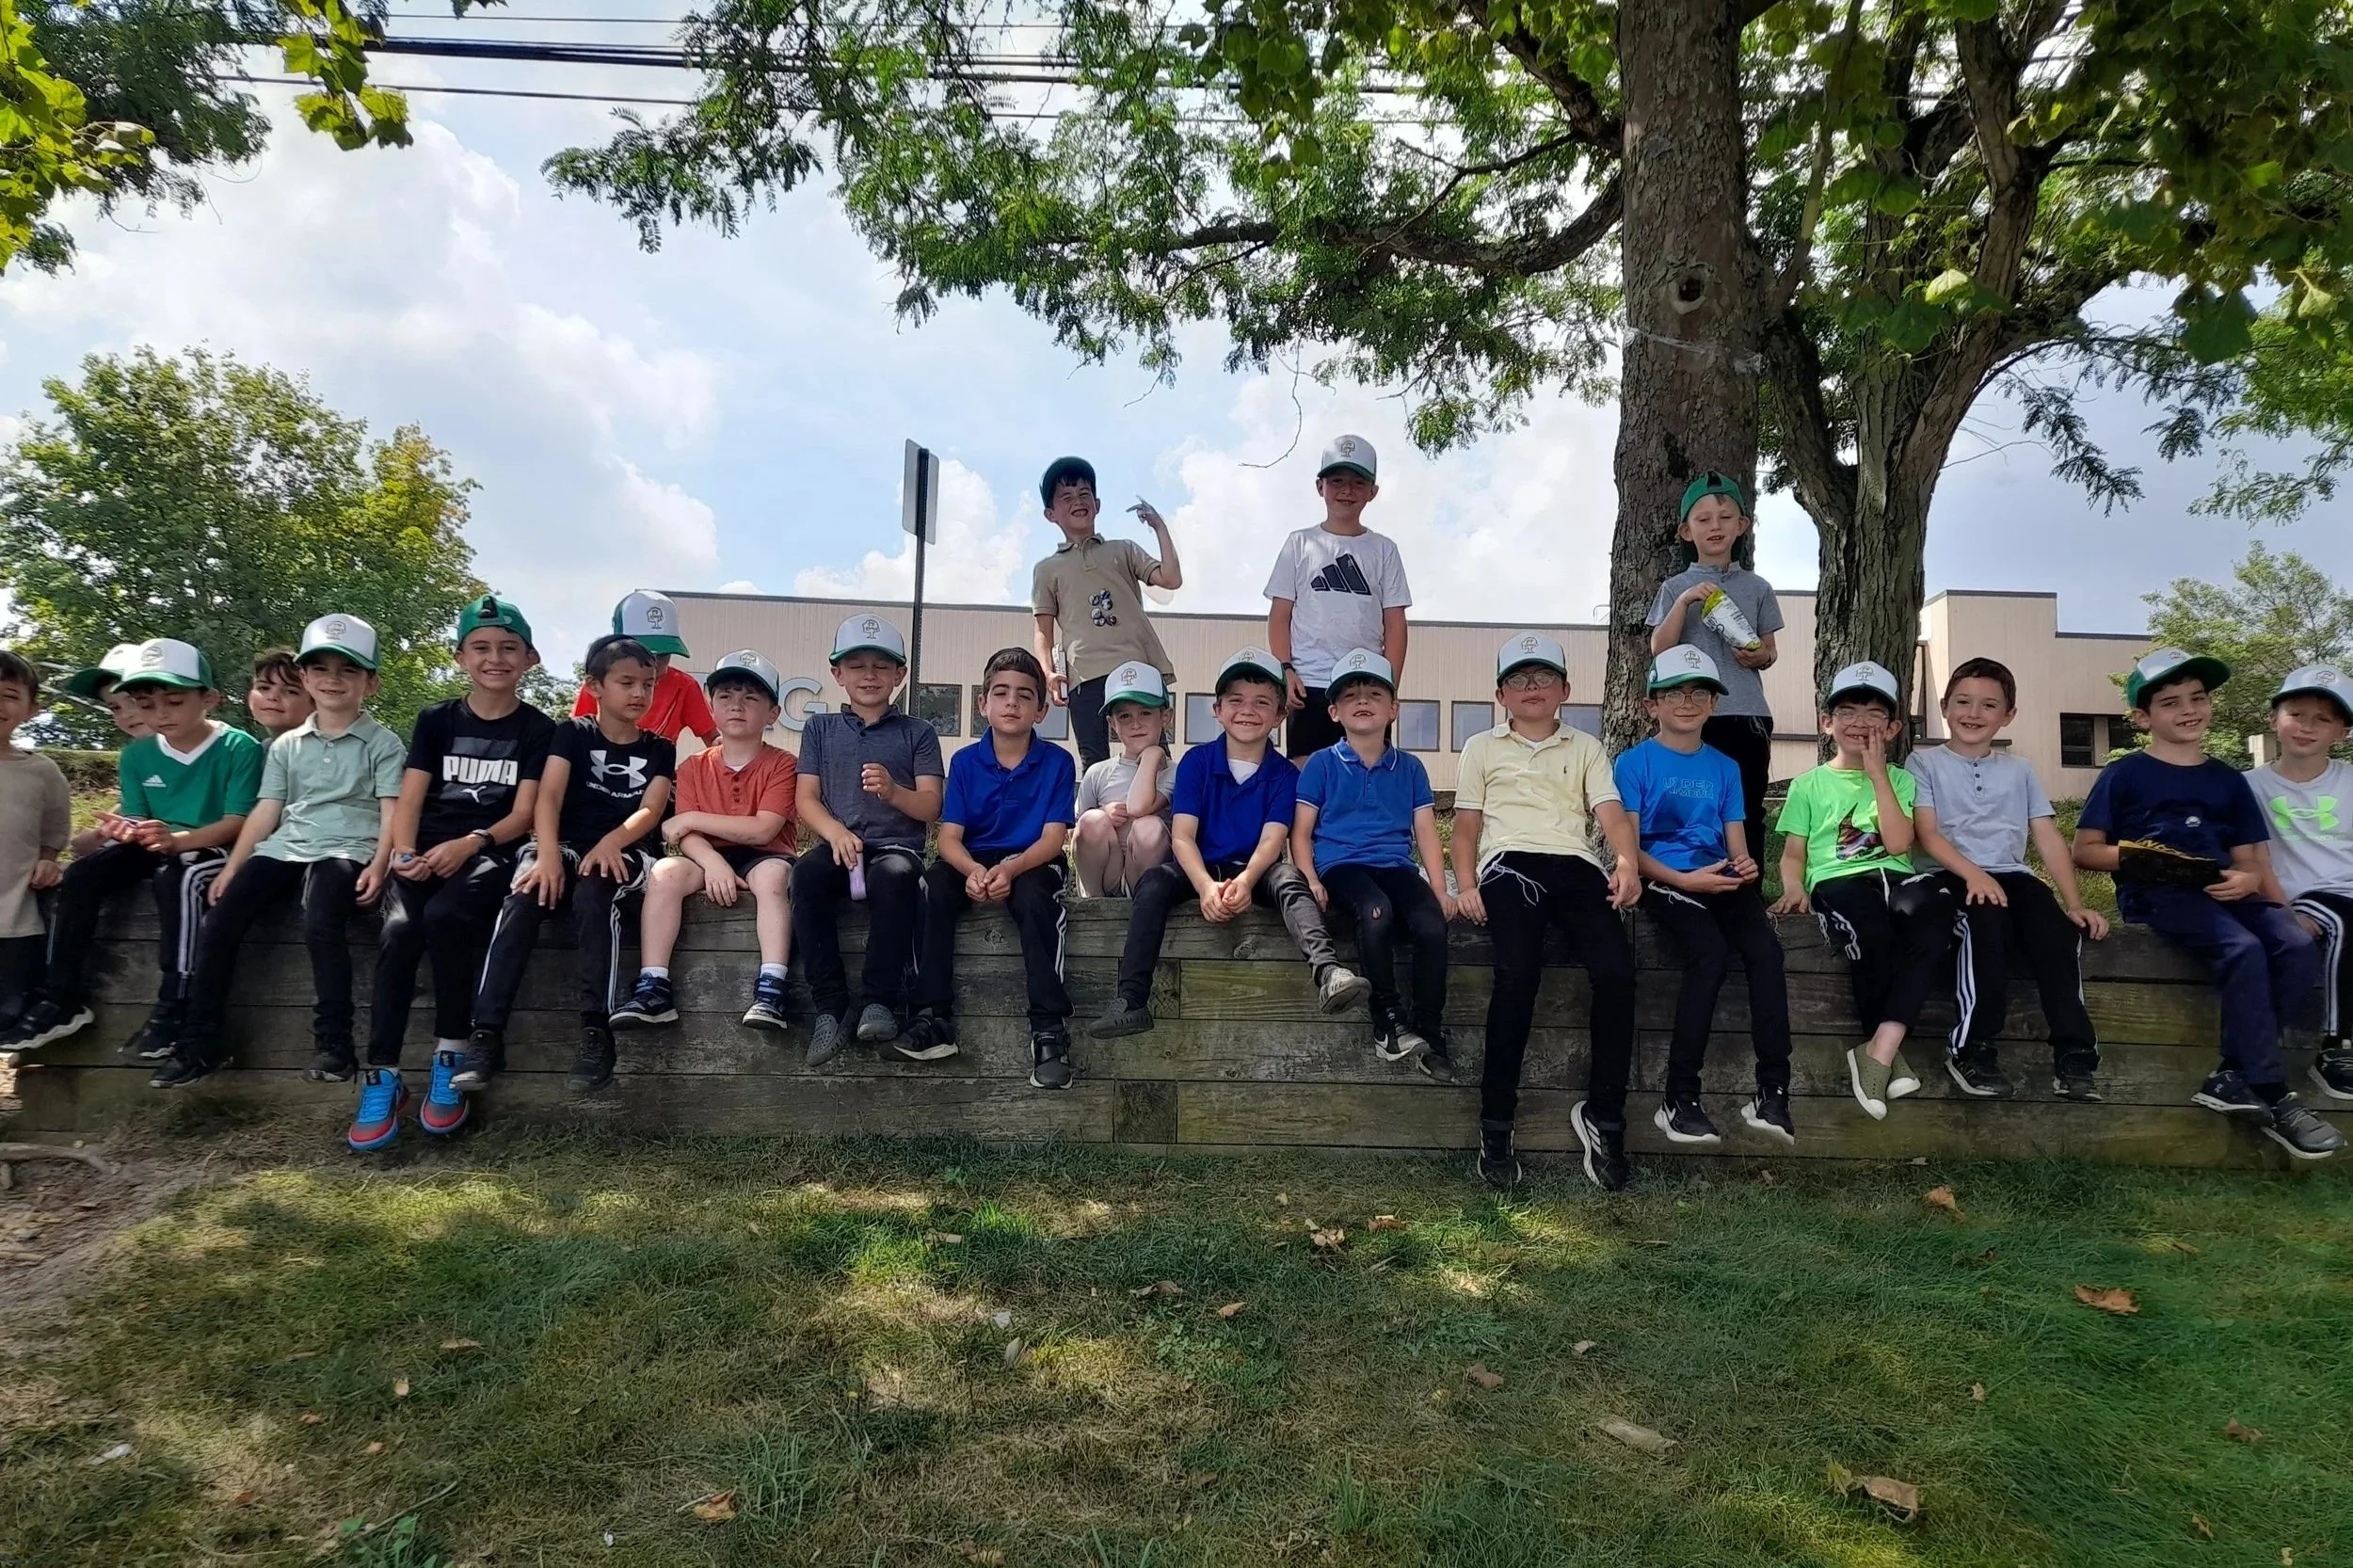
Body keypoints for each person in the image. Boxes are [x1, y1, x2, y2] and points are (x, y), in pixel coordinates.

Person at [2074, 648, 2343, 1159]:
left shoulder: (2228, 779)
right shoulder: (2125, 774)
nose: (2189, 710)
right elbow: (2085, 850)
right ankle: (2273, 1093)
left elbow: (2249, 859)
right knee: (2241, 949)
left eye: (2197, 698)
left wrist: (2252, 885)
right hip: (2158, 895)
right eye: (2171, 702)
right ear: (2142, 718)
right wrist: (2145, 862)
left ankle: (2232, 1074)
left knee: (2292, 943)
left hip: (2224, 891)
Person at [159, 616, 404, 1089]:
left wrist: (380, 863)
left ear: (370, 683)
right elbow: (269, 808)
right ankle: (200, 1040)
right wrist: (234, 866)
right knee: (221, 920)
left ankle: (334, 1043)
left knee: (321, 920)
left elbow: (392, 810)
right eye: (321, 669)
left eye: (348, 670)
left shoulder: (383, 743)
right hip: (286, 845)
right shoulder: (287, 745)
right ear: (306, 678)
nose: (333, 679)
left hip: (349, 846)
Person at [353, 595, 552, 1150]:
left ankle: (451, 1054)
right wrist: (405, 852)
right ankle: (383, 1075)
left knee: (446, 918)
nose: (496, 659)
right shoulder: (436, 719)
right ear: (461, 656)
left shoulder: (538, 728)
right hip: (425, 849)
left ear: (530, 659)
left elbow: (523, 813)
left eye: (509, 648)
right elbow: (411, 797)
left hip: (486, 848)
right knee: (397, 933)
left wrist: (473, 842)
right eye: (482, 648)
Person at [4, 638, 264, 1057]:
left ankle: (173, 1004)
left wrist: (175, 840)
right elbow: (138, 818)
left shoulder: (239, 748)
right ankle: (60, 997)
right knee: (84, 875)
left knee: (177, 880)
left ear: (209, 699)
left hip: (208, 845)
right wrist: (127, 831)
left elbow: (237, 822)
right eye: (144, 704)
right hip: (155, 842)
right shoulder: (138, 755)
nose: (158, 714)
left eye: (173, 701)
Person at [1090, 648, 1366, 1041]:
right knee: (1153, 883)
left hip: (1257, 869)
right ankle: (1131, 1000)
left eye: (1262, 702)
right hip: (1201, 867)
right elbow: (1182, 836)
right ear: (1217, 710)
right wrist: (1204, 886)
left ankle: (1329, 971)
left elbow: (1274, 839)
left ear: (1280, 715)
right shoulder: (1198, 762)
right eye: (1235, 701)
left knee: (1289, 878)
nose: (1247, 711)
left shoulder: (1286, 774)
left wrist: (1248, 881)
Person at [1449, 632, 1642, 1191]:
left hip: (1575, 865)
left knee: (1617, 973)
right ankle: (1496, 1124)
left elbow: (1608, 812)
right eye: (1519, 680)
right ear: (1500, 694)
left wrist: (1626, 863)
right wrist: (1466, 885)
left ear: (1565, 689)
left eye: (1543, 678)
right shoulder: (1481, 747)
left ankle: (1605, 1116)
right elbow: (1465, 827)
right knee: (1516, 977)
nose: (1531, 688)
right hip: (1509, 865)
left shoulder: (1586, 746)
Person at [463, 634, 675, 1096]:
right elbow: (550, 795)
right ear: (595, 686)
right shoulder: (572, 733)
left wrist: (612, 842)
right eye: (627, 682)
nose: (639, 693)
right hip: (565, 842)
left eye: (648, 684)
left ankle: (597, 1031)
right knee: (523, 894)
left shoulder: (660, 747)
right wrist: (546, 855)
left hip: (627, 852)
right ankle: (485, 1035)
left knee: (595, 892)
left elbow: (651, 809)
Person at [1614, 646, 1795, 1148]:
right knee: (1710, 955)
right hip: (1663, 879)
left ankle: (1773, 1090)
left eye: (1699, 693)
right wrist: (1684, 880)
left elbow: (1736, 843)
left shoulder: (1725, 766)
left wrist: (1745, 866)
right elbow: (1630, 849)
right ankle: (1679, 1097)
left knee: (1766, 951)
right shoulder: (1633, 763)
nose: (1687, 702)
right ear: (1653, 704)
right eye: (1674, 693)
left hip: (1719, 878)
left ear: (1714, 704)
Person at [1910, 657, 2108, 1102]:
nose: (1973, 714)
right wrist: (1974, 875)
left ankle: (2075, 1054)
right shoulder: (1923, 763)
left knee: (2056, 933)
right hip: (1948, 873)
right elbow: (1928, 833)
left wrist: (2073, 902)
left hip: (2009, 874)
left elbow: (2047, 836)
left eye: (1988, 705)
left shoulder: (2019, 770)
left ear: (2008, 715)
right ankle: (1972, 1047)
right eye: (1962, 702)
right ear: (1944, 706)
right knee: (1985, 924)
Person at [1770, 661, 1951, 1122]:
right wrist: (1795, 888)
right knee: (1872, 934)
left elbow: (1897, 844)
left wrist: (1877, 776)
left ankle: (1878, 1050)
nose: (1860, 723)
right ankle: (1885, 1049)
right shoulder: (1809, 785)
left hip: (1896, 875)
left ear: (1891, 728)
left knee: (1934, 918)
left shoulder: (1902, 779)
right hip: (1838, 881)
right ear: (1826, 723)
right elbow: (1794, 854)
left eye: (1874, 714)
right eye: (1848, 711)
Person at [908, 648, 1080, 1085]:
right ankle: (933, 1017)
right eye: (1000, 693)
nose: (1011, 703)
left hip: (1034, 860)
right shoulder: (965, 762)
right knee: (931, 888)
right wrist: (972, 872)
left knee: (1036, 899)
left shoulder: (1059, 762)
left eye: (1024, 696)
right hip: (973, 858)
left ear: (1041, 711)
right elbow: (948, 838)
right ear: (983, 703)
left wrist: (1010, 869)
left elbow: (1053, 839)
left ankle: (1048, 1030)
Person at [613, 650, 796, 1033]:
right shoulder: (692, 766)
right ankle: (653, 984)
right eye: (726, 696)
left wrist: (693, 818)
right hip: (705, 856)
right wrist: (712, 861)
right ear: (711, 708)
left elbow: (764, 830)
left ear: (773, 713)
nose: (737, 706)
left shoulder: (784, 763)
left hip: (765, 855)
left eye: (751, 698)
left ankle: (773, 986)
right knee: (664, 872)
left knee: (772, 880)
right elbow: (678, 835)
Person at [1291, 648, 1456, 1073]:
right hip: (1341, 865)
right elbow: (1301, 832)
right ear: (1333, 712)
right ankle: (1388, 1023)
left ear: (1394, 709)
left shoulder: (1411, 768)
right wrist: (1310, 878)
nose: (1362, 701)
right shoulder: (1321, 765)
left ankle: (1430, 1029)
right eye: (1350, 695)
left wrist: (1440, 890)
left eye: (1374, 693)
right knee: (1375, 911)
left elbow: (1424, 833)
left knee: (1431, 924)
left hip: (1395, 866)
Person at [796, 615, 944, 1066]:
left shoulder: (918, 732)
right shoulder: (819, 729)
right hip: (839, 845)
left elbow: (932, 807)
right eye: (856, 665)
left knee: (896, 878)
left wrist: (895, 792)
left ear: (899, 675)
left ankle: (878, 1000)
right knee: (804, 875)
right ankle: (830, 1005)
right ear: (837, 674)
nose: (869, 675)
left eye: (882, 666)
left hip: (896, 848)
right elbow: (805, 799)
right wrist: (836, 832)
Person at [1648, 472, 1784, 836]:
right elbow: (1659, 650)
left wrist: (1761, 658)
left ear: (1742, 525)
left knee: (1747, 806)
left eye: (1725, 518)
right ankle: (1695, 881)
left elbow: (1769, 651)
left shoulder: (1758, 587)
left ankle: (1746, 887)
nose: (1715, 527)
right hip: (1690, 711)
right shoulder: (1674, 587)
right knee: (1693, 806)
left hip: (1747, 711)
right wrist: (1685, 601)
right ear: (1687, 531)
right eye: (1703, 519)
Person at [1028, 456, 1181, 768]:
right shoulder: (1047, 569)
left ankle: (1161, 814)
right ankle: (1097, 816)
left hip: (1135, 665)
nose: (1078, 502)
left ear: (1097, 504)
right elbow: (1043, 630)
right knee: (1093, 759)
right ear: (1050, 514)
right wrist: (1048, 671)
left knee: (1155, 754)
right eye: (1066, 497)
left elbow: (1170, 578)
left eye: (1085, 494)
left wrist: (1159, 526)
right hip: (1084, 672)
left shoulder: (1123, 549)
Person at [2245, 664, 2353, 1104]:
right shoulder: (2247, 786)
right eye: (2296, 713)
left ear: (2342, 733)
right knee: (2344, 921)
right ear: (2274, 720)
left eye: (2322, 719)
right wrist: (2283, 912)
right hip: (2293, 900)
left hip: (2346, 894)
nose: (2306, 727)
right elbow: (2244, 856)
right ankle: (2336, 1047)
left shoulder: (2350, 782)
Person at [1265, 435, 1412, 759]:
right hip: (1310, 682)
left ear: (1372, 491)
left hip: (1365, 681)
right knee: (1306, 776)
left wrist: (1388, 686)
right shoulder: (1299, 543)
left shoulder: (1384, 549)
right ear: (1320, 487)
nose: (1347, 490)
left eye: (1358, 482)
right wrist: (1285, 670)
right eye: (1337, 481)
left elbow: (1396, 624)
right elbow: (1280, 615)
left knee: (1368, 770)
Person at [0, 650, 71, 1036]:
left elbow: (55, 831)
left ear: (31, 709)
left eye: (9, 695)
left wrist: (48, 859)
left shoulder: (42, 771)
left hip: (14, 922)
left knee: (8, 1016)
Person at [1071, 661, 1172, 897]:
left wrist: (1152, 756)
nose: (1135, 724)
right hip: (1107, 873)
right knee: (1092, 820)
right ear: (1112, 724)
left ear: (1166, 717)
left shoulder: (1177, 772)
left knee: (1149, 826)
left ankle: (1146, 901)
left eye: (1145, 713)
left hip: (1147, 875)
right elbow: (1077, 831)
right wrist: (1105, 813)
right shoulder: (1098, 772)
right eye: (1125, 716)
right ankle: (1093, 905)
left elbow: (1139, 807)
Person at [572, 589, 720, 748]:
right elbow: (576, 736)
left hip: (657, 770)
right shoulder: (600, 685)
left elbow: (712, 737)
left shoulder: (684, 686)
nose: (654, 663)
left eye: (663, 654)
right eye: (644, 654)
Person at [244, 647, 315, 739]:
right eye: (264, 688)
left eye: (291, 691)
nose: (272, 697)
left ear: (315, 703)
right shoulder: (259, 749)